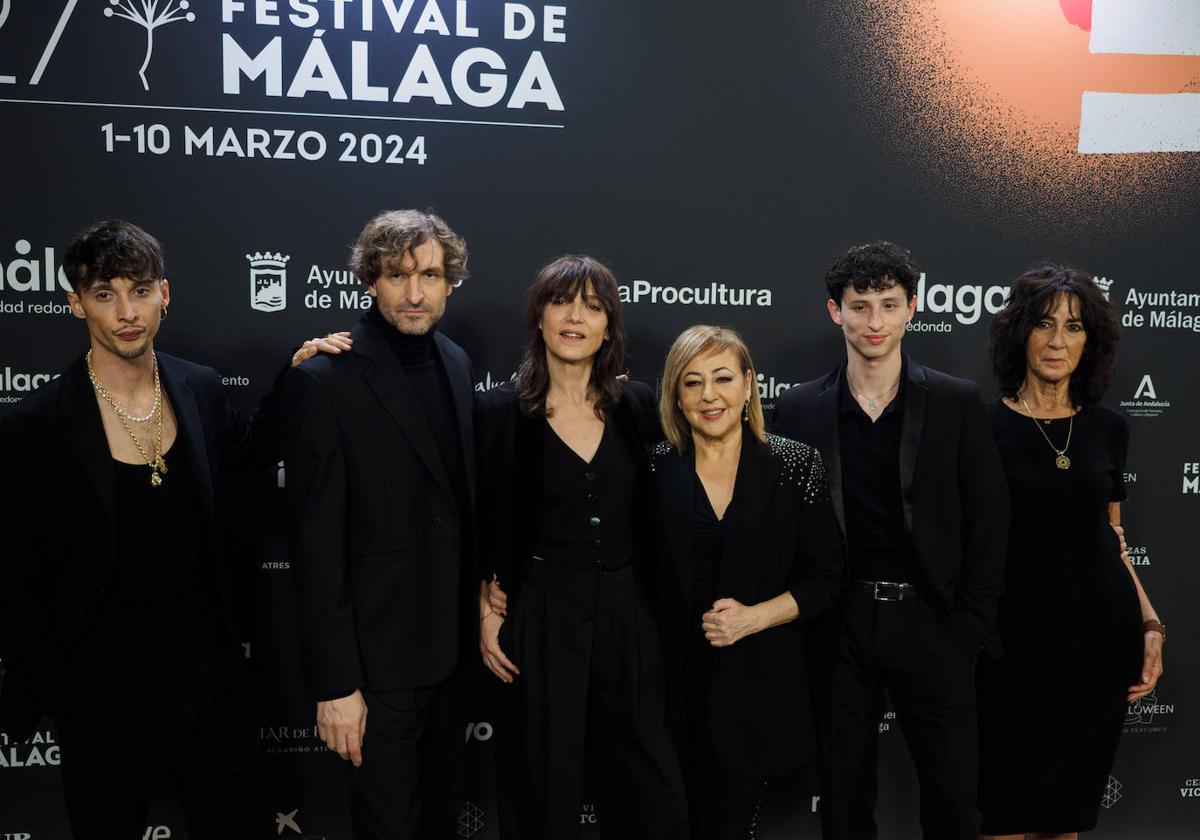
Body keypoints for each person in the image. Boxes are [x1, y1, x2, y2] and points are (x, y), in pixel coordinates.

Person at [0, 220, 283, 838]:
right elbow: (12, 580)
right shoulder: (35, 424)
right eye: (105, 293)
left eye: (141, 289)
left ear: (165, 294)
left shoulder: (201, 390)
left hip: (210, 679)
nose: (127, 311)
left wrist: (302, 381)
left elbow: (255, 472)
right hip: (103, 691)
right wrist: (66, 687)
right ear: (75, 303)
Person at [771, 241, 1010, 839]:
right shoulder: (799, 408)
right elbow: (780, 525)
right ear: (835, 312)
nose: (873, 322)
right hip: (839, 621)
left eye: (887, 304)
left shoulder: (954, 402)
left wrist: (968, 629)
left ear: (912, 307)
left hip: (933, 619)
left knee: (953, 799)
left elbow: (989, 520)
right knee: (844, 799)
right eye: (859, 306)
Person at [476, 255, 688, 840]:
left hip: (629, 612)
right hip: (542, 613)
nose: (576, 317)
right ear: (537, 317)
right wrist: (481, 608)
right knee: (543, 788)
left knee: (654, 791)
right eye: (562, 302)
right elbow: (471, 519)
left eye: (593, 307)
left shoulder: (638, 406)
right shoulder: (499, 413)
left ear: (609, 327)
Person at [281, 209, 477, 839]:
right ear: (370, 280)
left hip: (451, 658)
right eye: (397, 275)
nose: (414, 293)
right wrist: (337, 685)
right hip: (374, 670)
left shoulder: (456, 362)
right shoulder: (324, 379)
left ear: (450, 282)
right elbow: (315, 547)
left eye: (428, 274)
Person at [978, 265, 1164, 840]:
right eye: (1044, 324)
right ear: (1020, 334)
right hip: (1010, 648)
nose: (1059, 341)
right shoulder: (982, 427)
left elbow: (1114, 538)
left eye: (1074, 326)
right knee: (1002, 816)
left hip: (1098, 645)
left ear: (1092, 341)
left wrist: (1150, 624)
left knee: (1067, 818)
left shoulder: (1109, 427)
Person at [650, 325, 844, 839]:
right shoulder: (652, 468)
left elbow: (827, 578)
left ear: (748, 384)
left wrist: (753, 618)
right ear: (675, 394)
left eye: (722, 378)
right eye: (692, 383)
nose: (708, 395)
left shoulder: (794, 463)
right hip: (664, 699)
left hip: (755, 695)